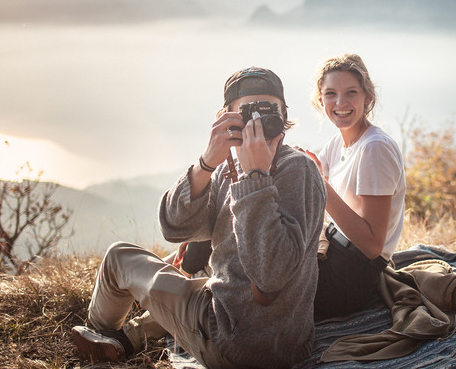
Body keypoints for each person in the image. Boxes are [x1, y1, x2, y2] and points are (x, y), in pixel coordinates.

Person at [71, 67, 327, 368]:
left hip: (234, 344)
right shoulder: (226, 169)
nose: (258, 123)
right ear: (226, 118)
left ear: (284, 115)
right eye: (248, 113)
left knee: (119, 257)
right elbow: (174, 227)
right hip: (281, 341)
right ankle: (123, 339)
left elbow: (270, 277)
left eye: (268, 110)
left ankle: (98, 334)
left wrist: (255, 176)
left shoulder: (298, 170)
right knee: (200, 281)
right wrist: (206, 163)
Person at [306, 54, 406, 320]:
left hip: (348, 279)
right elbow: (308, 182)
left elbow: (373, 246)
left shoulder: (374, 148)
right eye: (330, 94)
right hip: (331, 251)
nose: (340, 103)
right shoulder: (338, 143)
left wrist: (321, 187)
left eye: (351, 92)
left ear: (367, 97)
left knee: (256, 288)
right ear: (321, 100)